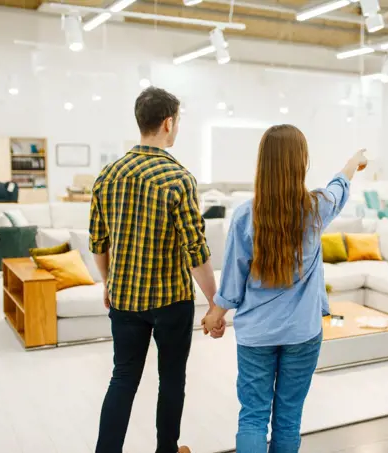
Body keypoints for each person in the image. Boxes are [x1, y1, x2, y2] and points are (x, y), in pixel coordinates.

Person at [203, 124, 367, 453]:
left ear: (262, 163)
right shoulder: (317, 208)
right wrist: (353, 163)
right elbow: (340, 187)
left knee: (252, 416)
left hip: (256, 335)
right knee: (289, 418)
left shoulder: (245, 216)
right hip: (302, 334)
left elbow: (233, 281)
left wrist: (214, 315)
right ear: (302, 162)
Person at [89, 87, 225, 453]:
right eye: (177, 121)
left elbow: (98, 242)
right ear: (168, 123)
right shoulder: (178, 178)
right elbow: (196, 251)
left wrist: (108, 283)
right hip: (170, 302)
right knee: (171, 380)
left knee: (123, 378)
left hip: (124, 299)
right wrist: (215, 303)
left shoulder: (108, 175)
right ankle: (167, 450)